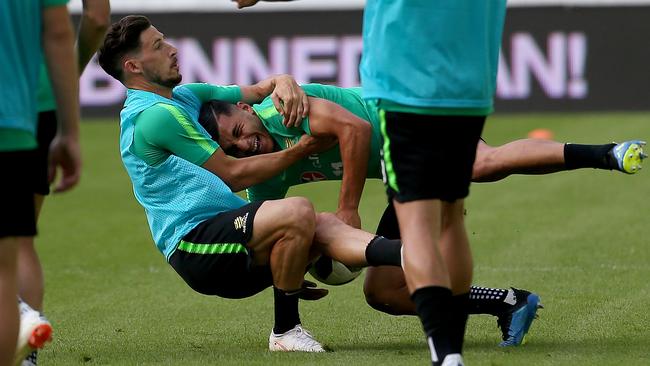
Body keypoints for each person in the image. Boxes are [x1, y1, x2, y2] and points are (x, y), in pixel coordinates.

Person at [197, 84, 645, 345]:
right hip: (402, 173)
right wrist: (293, 273)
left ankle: (608, 153)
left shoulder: (284, 107)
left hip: (406, 121)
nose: (244, 145)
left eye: (240, 131)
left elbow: (355, 129)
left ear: (244, 109)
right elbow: (272, 230)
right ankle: (510, 303)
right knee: (384, 292)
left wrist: (349, 208)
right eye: (232, 147)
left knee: (482, 165)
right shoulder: (265, 177)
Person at [96, 15, 408, 353]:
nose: (172, 49)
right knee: (297, 210)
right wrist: (298, 151)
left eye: (165, 40)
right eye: (158, 46)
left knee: (327, 225)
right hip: (194, 243)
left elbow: (261, 90)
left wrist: (285, 81)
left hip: (232, 231)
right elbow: (232, 174)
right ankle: (285, 332)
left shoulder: (184, 98)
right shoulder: (155, 116)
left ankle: (410, 256)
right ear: (134, 66)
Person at [360, 1, 507, 364]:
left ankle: (446, 356)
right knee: (450, 217)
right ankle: (450, 352)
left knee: (418, 226)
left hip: (406, 85)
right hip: (470, 87)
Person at [18, 2, 111, 365]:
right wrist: (67, 75)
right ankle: (26, 350)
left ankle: (18, 322)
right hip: (40, 96)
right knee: (19, 236)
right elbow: (97, 17)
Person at [0, 0, 82, 365]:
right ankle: (24, 340)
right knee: (13, 253)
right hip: (18, 118)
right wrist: (70, 131)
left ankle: (21, 315)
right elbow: (74, 26)